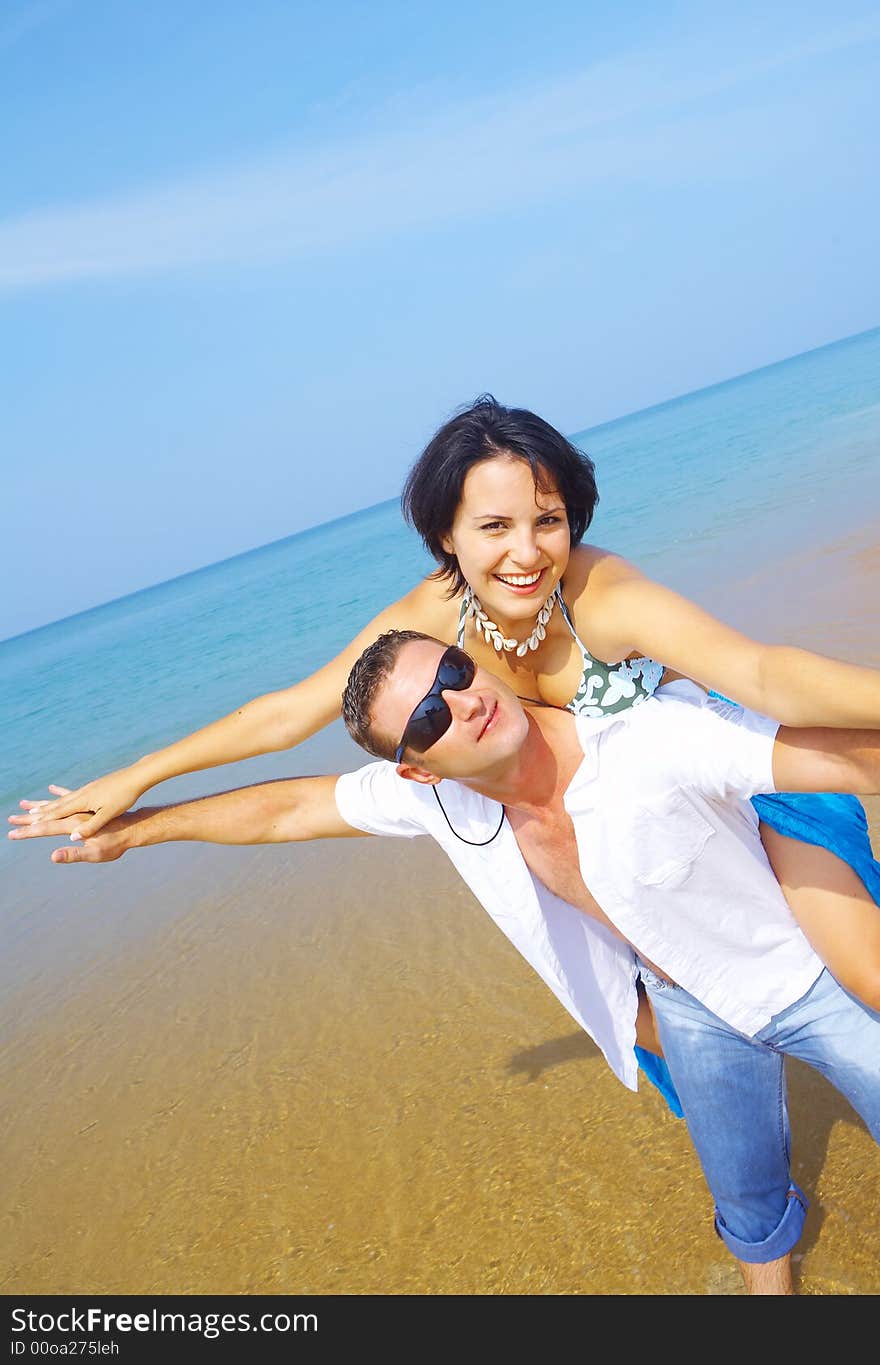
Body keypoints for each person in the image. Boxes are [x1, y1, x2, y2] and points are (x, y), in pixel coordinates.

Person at [12, 631, 880, 1295]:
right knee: (745, 1190)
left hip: (800, 972)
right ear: (418, 772)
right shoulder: (449, 808)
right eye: (428, 718)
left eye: (454, 674)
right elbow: (286, 810)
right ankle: (772, 1282)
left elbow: (824, 750)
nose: (460, 704)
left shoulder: (641, 736)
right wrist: (134, 827)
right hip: (687, 1003)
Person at [18, 397, 880, 1024]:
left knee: (861, 974)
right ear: (447, 537)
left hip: (736, 788)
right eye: (494, 526)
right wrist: (136, 781)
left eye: (549, 519)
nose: (527, 551)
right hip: (625, 857)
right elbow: (288, 715)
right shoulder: (429, 615)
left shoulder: (599, 590)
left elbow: (762, 672)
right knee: (665, 1022)